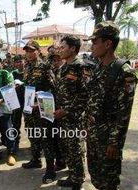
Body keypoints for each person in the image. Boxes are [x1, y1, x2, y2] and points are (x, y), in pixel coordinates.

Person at [84, 21, 138, 190]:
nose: (91, 46)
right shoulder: (98, 68)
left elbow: (124, 112)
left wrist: (114, 143)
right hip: (93, 134)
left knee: (108, 181)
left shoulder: (124, 72)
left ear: (108, 44)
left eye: (95, 42)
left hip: (108, 139)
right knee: (96, 177)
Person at [54, 35, 87, 189]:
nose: (59, 50)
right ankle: (72, 174)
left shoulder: (81, 66)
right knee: (67, 147)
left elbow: (86, 95)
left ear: (73, 48)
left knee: (76, 149)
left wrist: (67, 111)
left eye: (62, 47)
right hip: (61, 116)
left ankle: (78, 180)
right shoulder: (63, 67)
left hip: (74, 118)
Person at [21, 40, 56, 184]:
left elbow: (53, 88)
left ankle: (50, 170)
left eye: (31, 50)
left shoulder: (45, 66)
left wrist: (40, 103)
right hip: (29, 108)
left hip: (42, 108)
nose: (29, 53)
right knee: (32, 134)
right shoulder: (27, 66)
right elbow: (29, 86)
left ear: (38, 50)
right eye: (27, 51)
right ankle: (35, 160)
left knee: (46, 139)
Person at [11, 55, 25, 150]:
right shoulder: (12, 73)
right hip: (16, 101)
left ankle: (35, 144)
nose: (19, 64)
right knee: (15, 123)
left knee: (30, 123)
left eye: (20, 61)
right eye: (17, 62)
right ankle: (16, 142)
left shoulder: (29, 72)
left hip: (28, 100)